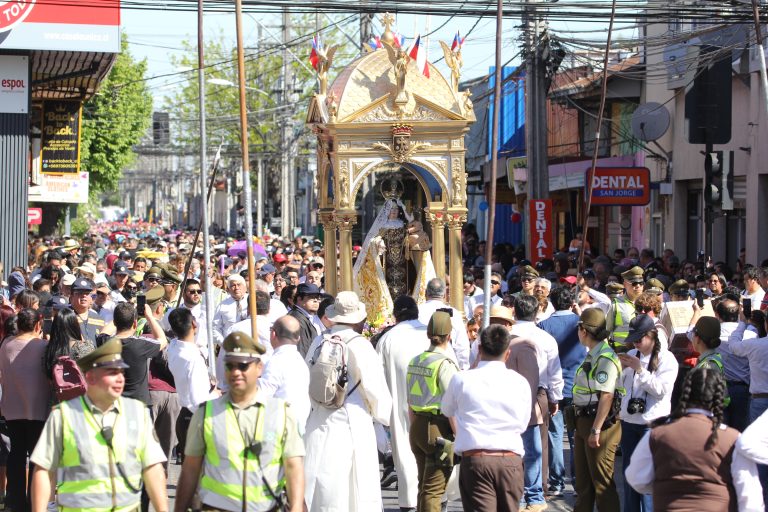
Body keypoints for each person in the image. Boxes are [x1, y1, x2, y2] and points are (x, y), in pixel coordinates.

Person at [29, 338, 169, 512]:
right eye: (111, 373)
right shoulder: (63, 416)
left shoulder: (138, 413)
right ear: (91, 377)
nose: (119, 379)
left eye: (121, 372)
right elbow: (43, 471)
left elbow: (153, 469)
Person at [174, 331, 305, 512]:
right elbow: (190, 470)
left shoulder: (281, 412)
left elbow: (294, 468)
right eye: (230, 366)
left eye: (243, 366)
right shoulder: (206, 413)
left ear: (259, 368)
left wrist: (297, 508)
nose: (235, 372)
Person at [625, 368, 762, 511]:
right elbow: (750, 498)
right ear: (719, 398)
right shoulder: (732, 439)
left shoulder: (658, 433)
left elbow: (636, 478)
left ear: (685, 392)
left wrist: (665, 486)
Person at [304, 291, 392, 512]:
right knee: (354, 484)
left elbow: (308, 376)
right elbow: (374, 388)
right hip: (352, 416)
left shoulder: (319, 340)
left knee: (322, 477)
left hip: (320, 416)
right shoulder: (360, 344)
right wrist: (384, 415)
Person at [442, 324, 531, 511]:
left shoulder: (461, 379)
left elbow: (446, 409)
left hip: (476, 460)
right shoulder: (520, 382)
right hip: (510, 459)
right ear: (508, 353)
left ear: (479, 349)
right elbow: (523, 424)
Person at [617, 314, 678, 512]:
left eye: (639, 339)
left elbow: (661, 391)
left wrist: (640, 370)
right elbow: (623, 388)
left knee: (648, 478)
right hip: (629, 423)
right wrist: (620, 369)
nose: (635, 343)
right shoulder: (633, 353)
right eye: (633, 339)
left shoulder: (667, 359)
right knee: (629, 476)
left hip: (651, 425)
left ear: (652, 335)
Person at [376, 296, 430, 511]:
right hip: (431, 407)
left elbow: (378, 377)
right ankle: (437, 499)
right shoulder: (431, 334)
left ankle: (408, 502)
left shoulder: (388, 339)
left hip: (399, 405)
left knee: (406, 452)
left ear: (396, 315)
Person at [571, 308, 624, 512]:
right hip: (584, 421)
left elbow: (607, 395)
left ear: (583, 330)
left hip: (600, 424)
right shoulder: (594, 354)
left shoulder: (604, 358)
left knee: (602, 484)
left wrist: (596, 429)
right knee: (584, 485)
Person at [406, 310, 459, 512]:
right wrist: (458, 434)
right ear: (449, 335)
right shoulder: (444, 364)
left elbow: (409, 401)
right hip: (438, 428)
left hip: (417, 426)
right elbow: (452, 405)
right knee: (434, 490)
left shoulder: (416, 360)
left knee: (424, 486)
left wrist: (415, 426)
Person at [353, 196, 436, 323]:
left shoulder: (403, 225)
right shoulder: (382, 227)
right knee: (387, 288)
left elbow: (412, 237)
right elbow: (372, 240)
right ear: (386, 210)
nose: (394, 211)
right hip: (387, 264)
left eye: (396, 209)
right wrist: (378, 243)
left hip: (404, 262)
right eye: (391, 209)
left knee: (408, 285)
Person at [0, 309, 51, 512]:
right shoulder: (44, 346)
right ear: (38, 325)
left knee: (16, 454)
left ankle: (16, 501)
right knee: (36, 457)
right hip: (38, 409)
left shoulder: (5, 345)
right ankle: (34, 502)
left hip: (12, 408)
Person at [537, 286, 584, 497]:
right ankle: (576, 481)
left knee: (555, 434)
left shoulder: (544, 326)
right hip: (577, 384)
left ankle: (556, 482)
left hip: (552, 385)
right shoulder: (580, 324)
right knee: (575, 436)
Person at [166, 308, 218, 463]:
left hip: (184, 417)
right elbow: (198, 402)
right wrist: (216, 394)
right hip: (195, 418)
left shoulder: (174, 347)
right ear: (194, 323)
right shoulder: (192, 359)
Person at [259, 315, 311, 435]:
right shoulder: (300, 361)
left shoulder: (275, 362)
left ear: (273, 334)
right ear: (298, 338)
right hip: (299, 425)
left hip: (279, 429)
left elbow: (263, 397)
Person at [417, 278, 470, 370]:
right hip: (445, 363)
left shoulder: (416, 311)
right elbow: (461, 345)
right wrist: (463, 367)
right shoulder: (454, 313)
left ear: (426, 293)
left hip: (419, 361)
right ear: (445, 295)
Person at [42, 308, 95, 393]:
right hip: (80, 400)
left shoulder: (49, 350)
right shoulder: (83, 347)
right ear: (75, 325)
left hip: (58, 401)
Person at [606, 266, 645, 351]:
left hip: (643, 351)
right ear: (625, 284)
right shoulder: (616, 304)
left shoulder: (648, 303)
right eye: (634, 283)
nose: (638, 286)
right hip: (622, 351)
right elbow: (607, 331)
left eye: (641, 283)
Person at [288, 282, 323, 357]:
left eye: (317, 297)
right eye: (311, 297)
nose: (316, 300)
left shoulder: (304, 316)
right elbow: (302, 351)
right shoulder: (297, 319)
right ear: (299, 299)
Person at [69, 277, 106, 344]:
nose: (84, 296)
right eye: (79, 293)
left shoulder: (99, 319)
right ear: (71, 297)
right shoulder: (65, 317)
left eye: (87, 293)